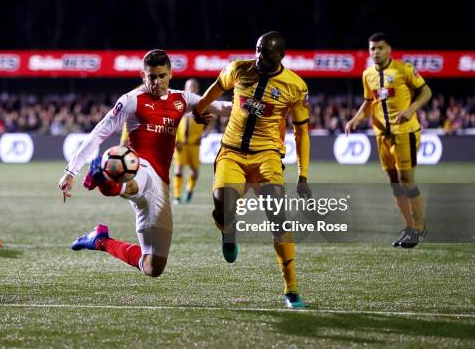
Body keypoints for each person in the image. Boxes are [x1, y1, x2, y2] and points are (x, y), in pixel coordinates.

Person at [58, 49, 231, 277]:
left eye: (161, 76)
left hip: (161, 183)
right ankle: (102, 176)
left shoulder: (182, 99)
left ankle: (100, 240)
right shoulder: (131, 100)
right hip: (138, 166)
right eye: (151, 77)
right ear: (143, 76)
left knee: (153, 267)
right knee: (133, 179)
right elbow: (99, 133)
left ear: (170, 75)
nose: (157, 82)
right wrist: (71, 170)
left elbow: (221, 107)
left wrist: (255, 108)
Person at [193, 31, 312, 309]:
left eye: (266, 53)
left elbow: (302, 132)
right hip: (231, 153)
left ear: (280, 56)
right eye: (257, 50)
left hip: (267, 157)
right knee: (223, 206)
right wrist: (200, 108)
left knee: (279, 219)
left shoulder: (295, 86)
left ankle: (291, 288)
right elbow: (216, 86)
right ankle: (229, 232)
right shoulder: (239, 69)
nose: (259, 57)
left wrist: (303, 175)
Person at [345, 32, 432, 248]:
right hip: (381, 135)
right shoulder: (367, 75)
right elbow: (369, 103)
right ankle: (409, 227)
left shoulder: (404, 69)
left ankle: (419, 229)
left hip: (405, 133)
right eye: (372, 48)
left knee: (406, 181)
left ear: (389, 49)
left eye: (380, 48)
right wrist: (355, 120)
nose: (376, 52)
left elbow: (426, 92)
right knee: (394, 184)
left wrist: (411, 109)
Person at [172, 78, 213, 205]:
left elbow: (211, 121)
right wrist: (174, 139)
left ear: (197, 89)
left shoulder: (202, 104)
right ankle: (177, 197)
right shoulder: (179, 104)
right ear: (185, 88)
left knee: (194, 171)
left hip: (195, 144)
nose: (192, 89)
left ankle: (189, 192)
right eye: (190, 86)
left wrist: (205, 133)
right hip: (180, 144)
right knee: (178, 170)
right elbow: (172, 122)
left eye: (194, 86)